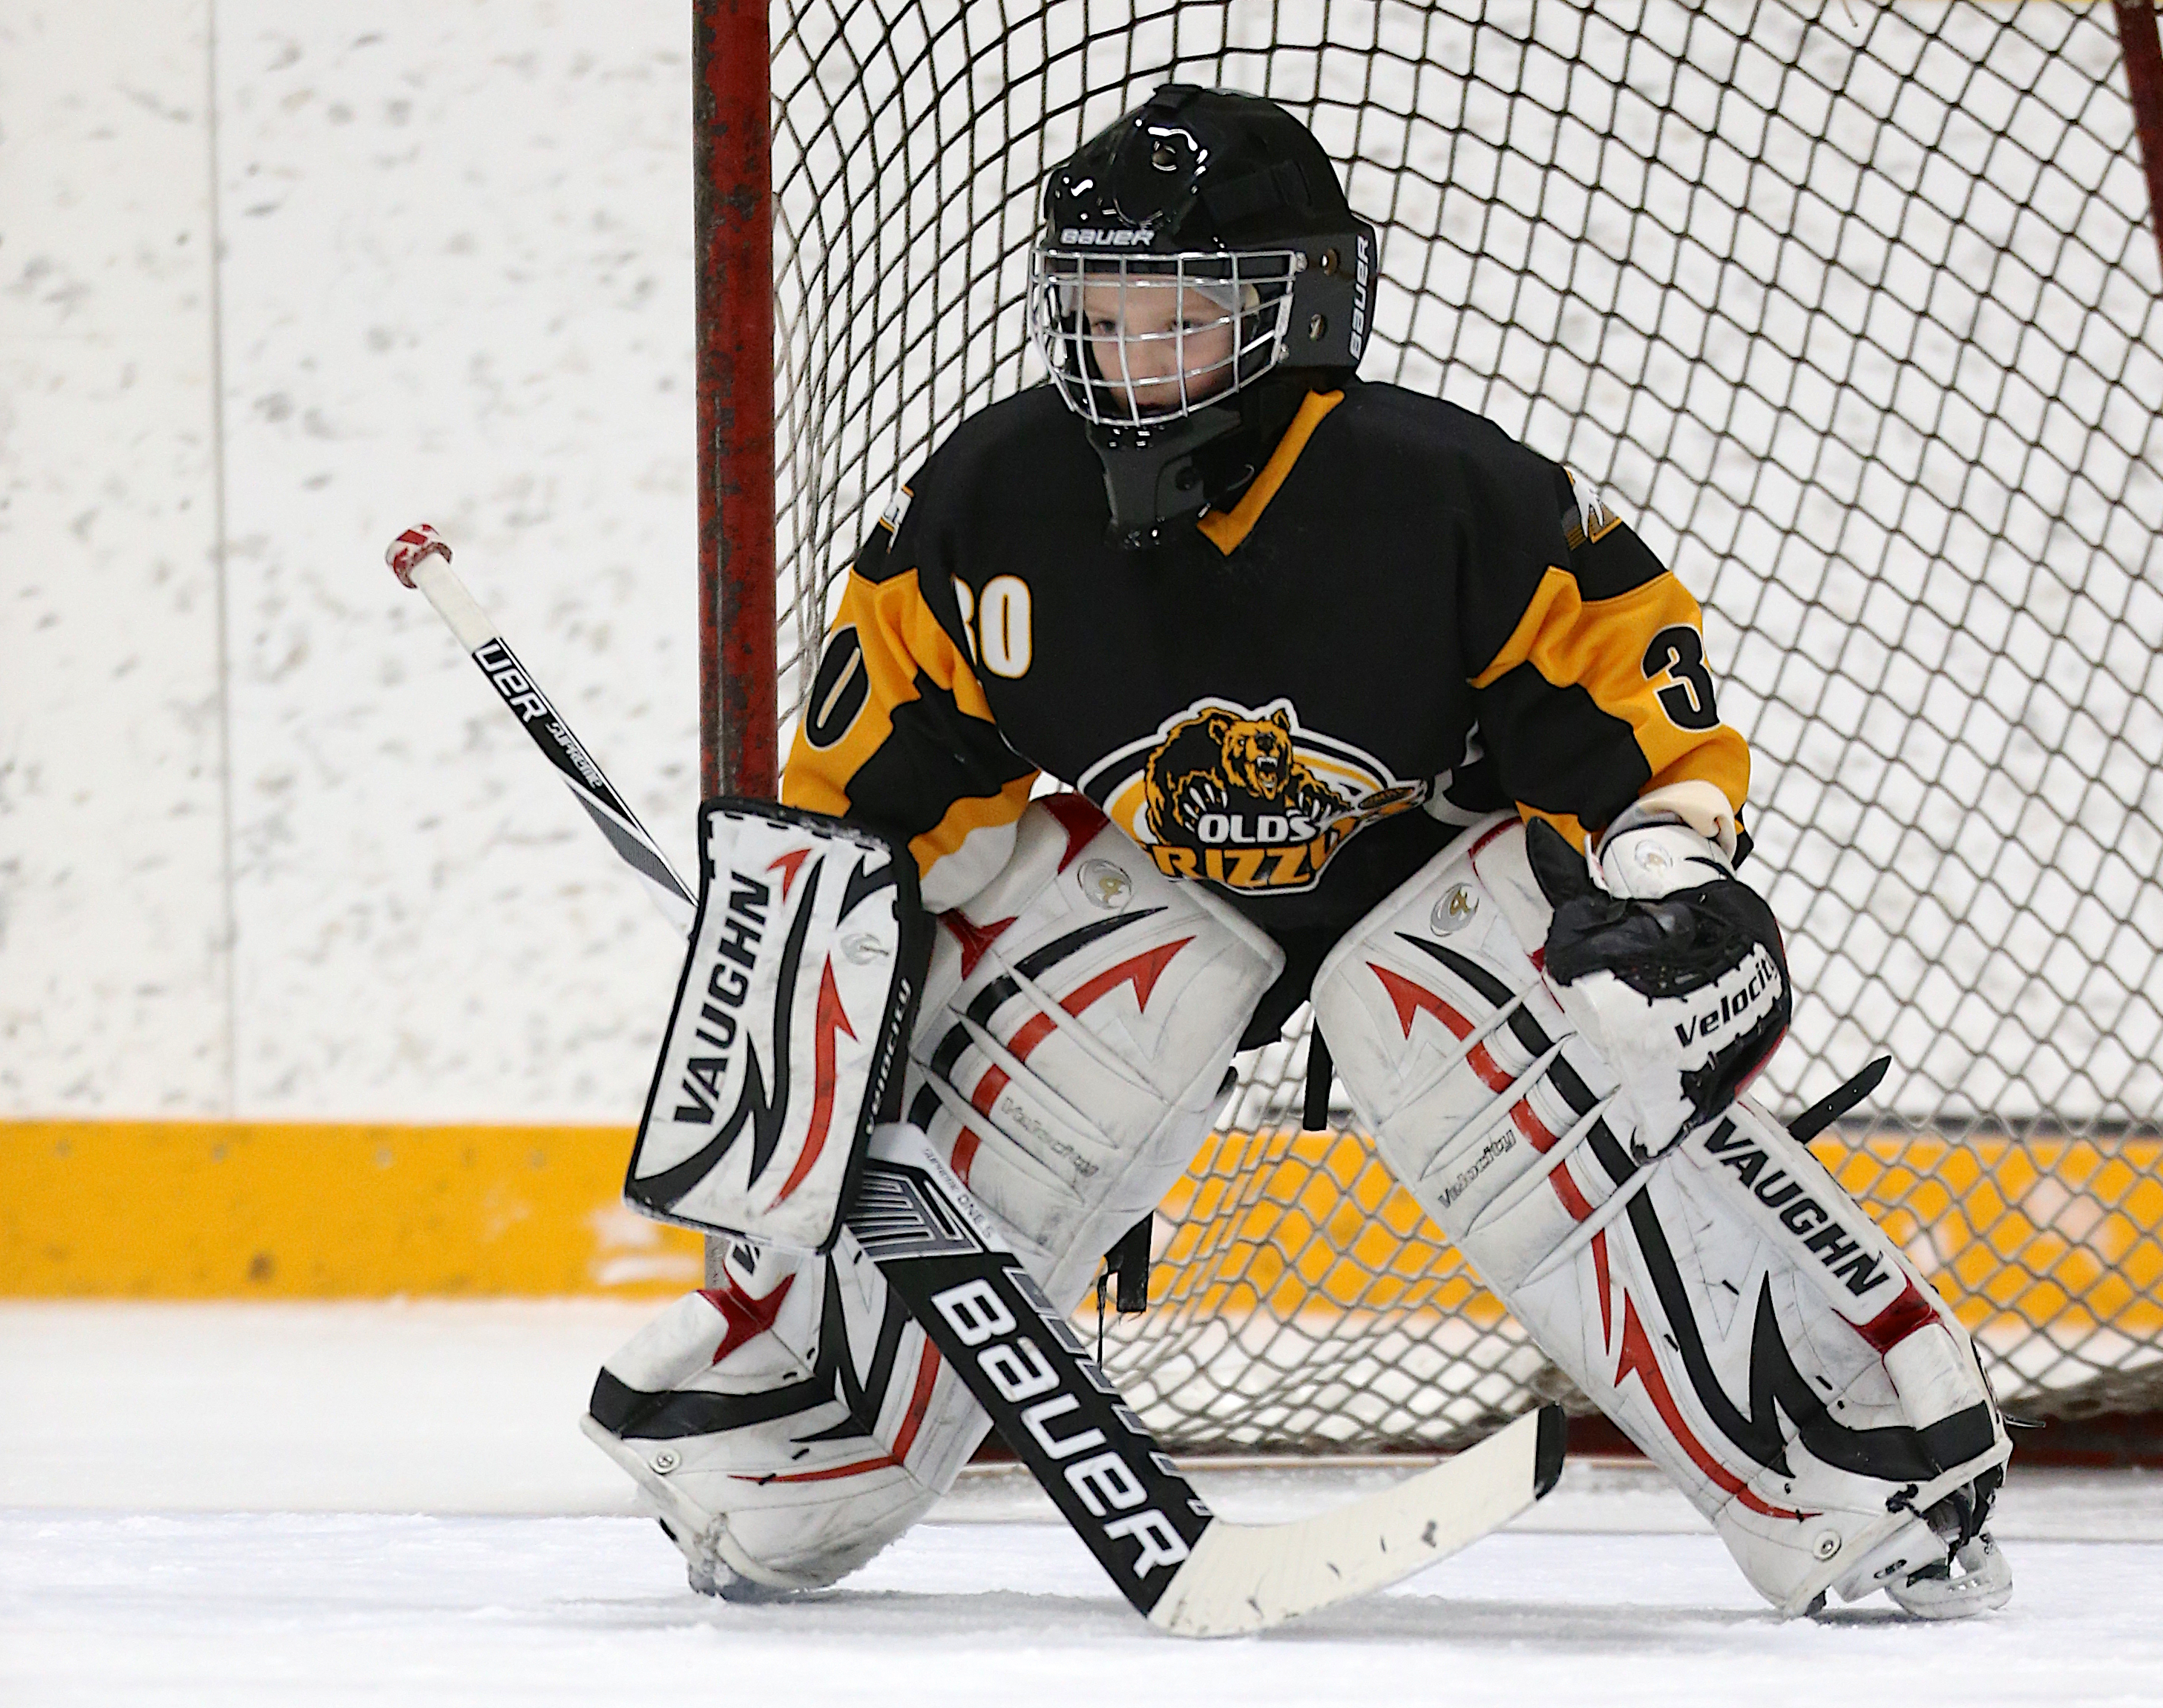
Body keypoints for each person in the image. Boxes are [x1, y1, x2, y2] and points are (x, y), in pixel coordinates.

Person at [585, 83, 2012, 1618]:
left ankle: (1863, 1473)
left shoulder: (1442, 496)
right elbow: (874, 801)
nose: (1126, 360)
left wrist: (1669, 879)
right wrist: (827, 994)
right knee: (1074, 1008)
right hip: (1160, 893)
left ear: (1302, 309)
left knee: (1472, 1011)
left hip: (1431, 886)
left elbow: (1626, 723)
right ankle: (782, 1433)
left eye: (1175, 318)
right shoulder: (995, 497)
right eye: (1097, 316)